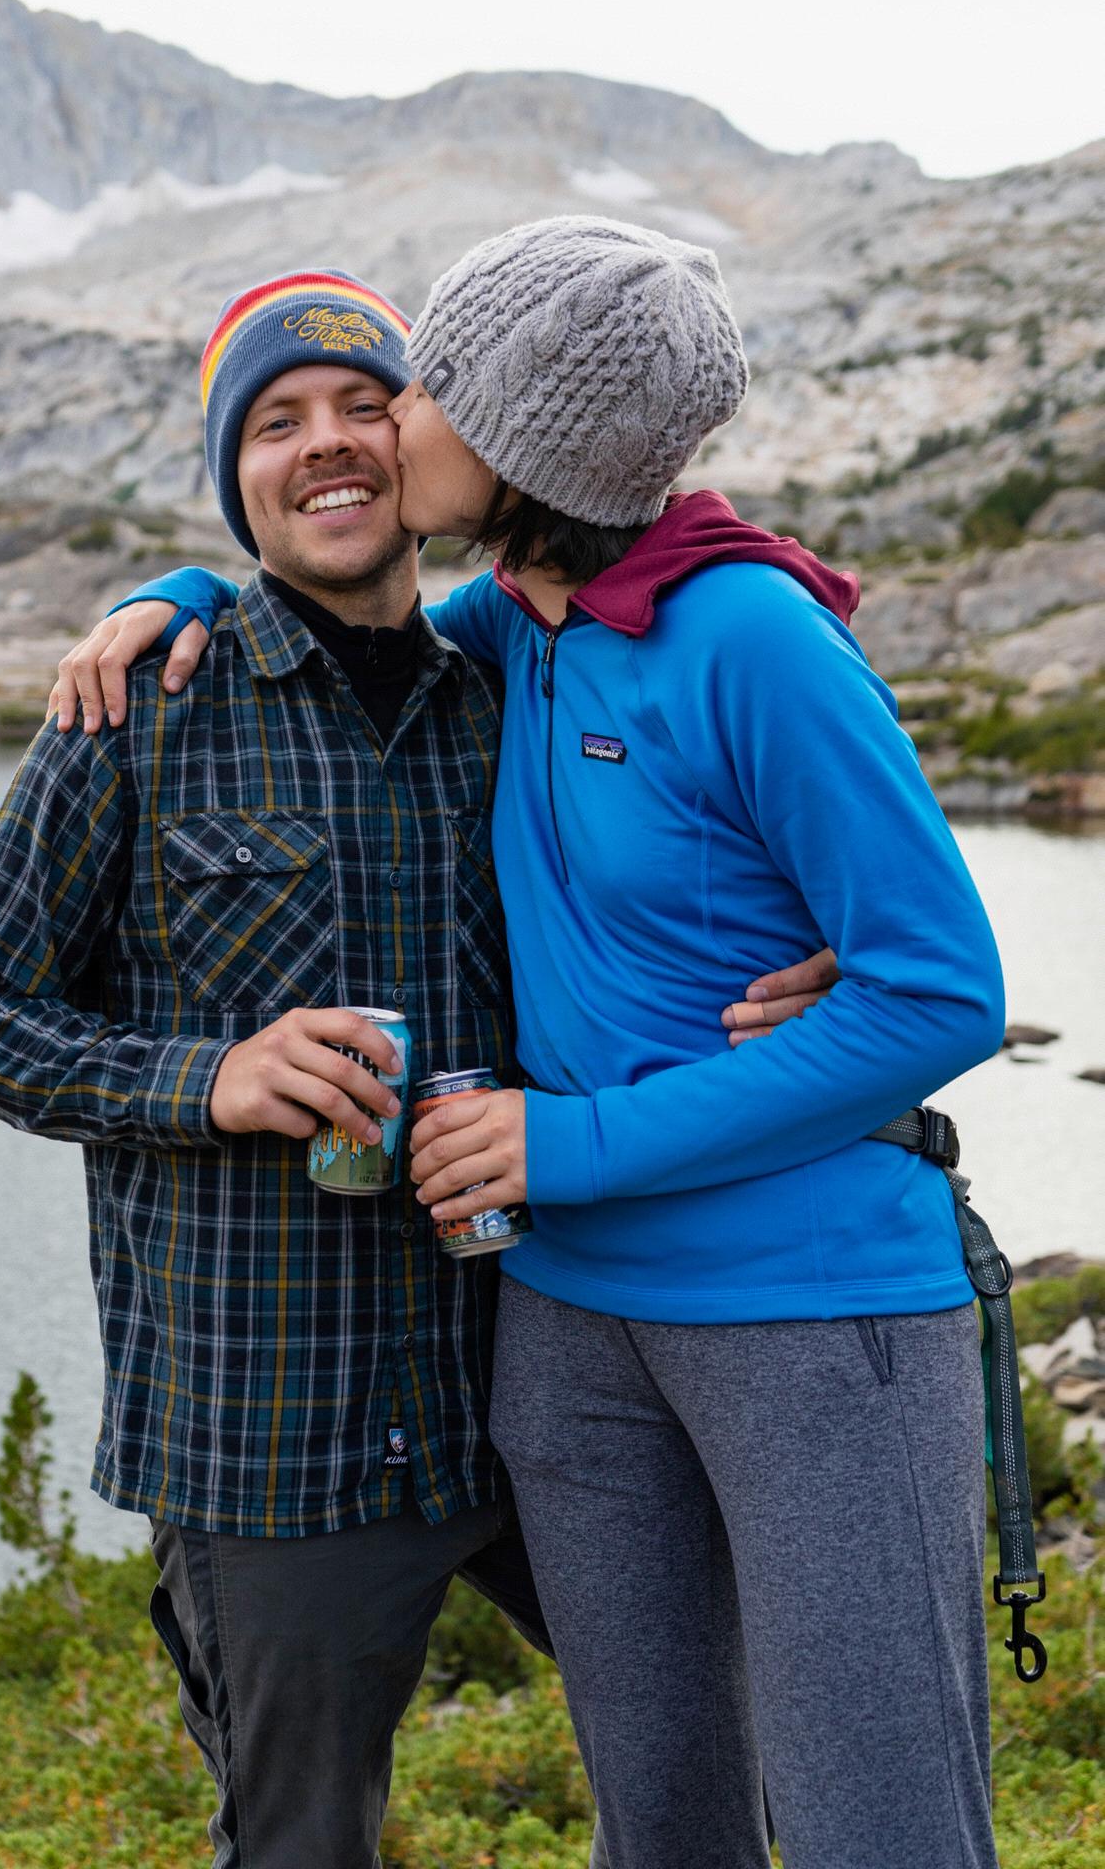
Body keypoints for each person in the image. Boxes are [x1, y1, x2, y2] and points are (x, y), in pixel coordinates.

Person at [60, 219, 1008, 1869]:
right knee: (660, 1827)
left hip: (805, 1310)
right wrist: (181, 592)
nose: (385, 425)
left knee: (879, 1824)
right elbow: (333, 610)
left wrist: (561, 1143)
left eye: (418, 391)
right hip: (568, 1327)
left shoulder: (754, 640)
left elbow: (938, 996)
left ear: (511, 443)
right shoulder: (519, 628)